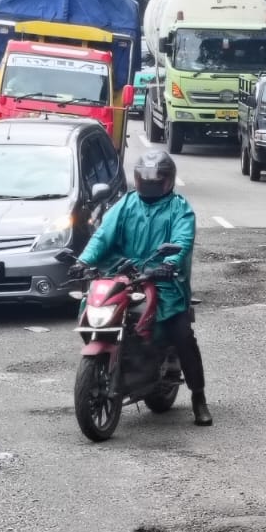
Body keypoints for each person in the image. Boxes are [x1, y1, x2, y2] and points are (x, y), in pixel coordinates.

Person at [74, 150, 211, 427]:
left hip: (164, 283)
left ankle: (199, 397)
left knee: (182, 336)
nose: (149, 185)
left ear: (168, 181)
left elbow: (182, 242)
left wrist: (169, 264)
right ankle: (115, 365)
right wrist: (84, 260)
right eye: (145, 179)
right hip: (124, 276)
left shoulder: (179, 208)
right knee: (95, 310)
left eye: (155, 180)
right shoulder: (126, 204)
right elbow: (102, 236)